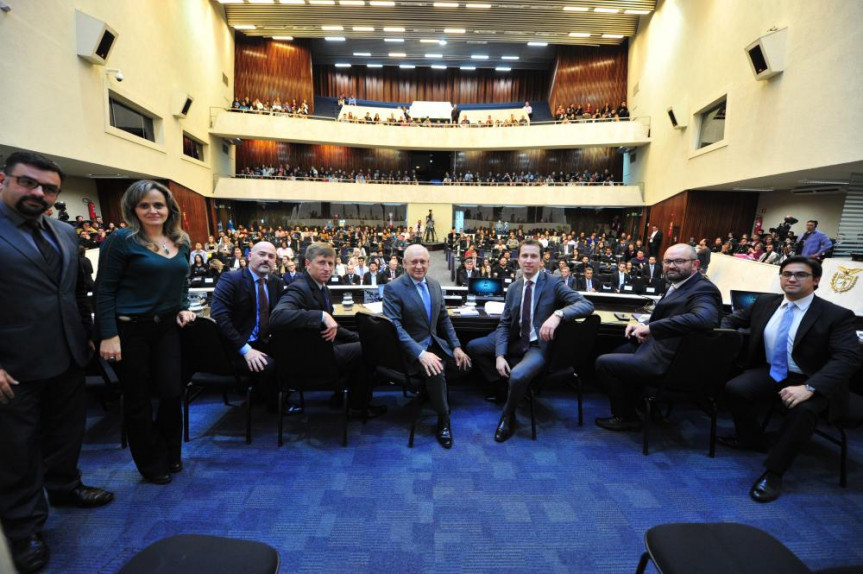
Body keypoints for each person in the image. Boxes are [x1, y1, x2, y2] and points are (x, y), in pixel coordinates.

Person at [0, 151, 113, 573]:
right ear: (4, 179)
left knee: (67, 433)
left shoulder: (65, 232)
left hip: (67, 354)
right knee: (17, 452)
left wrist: (87, 337)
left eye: (49, 188)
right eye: (28, 183)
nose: (39, 193)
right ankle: (24, 527)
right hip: (13, 366)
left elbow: (76, 293)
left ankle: (65, 486)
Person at [718, 257, 861, 502]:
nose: (791, 278)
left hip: (813, 378)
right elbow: (732, 319)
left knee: (803, 410)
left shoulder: (836, 315)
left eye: (800, 274)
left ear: (815, 280)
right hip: (774, 371)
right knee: (735, 388)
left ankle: (774, 472)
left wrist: (810, 386)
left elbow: (847, 358)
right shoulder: (766, 302)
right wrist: (721, 329)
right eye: (786, 274)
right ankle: (751, 439)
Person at [95, 180, 197, 485]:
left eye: (158, 205)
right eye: (145, 205)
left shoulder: (181, 240)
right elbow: (104, 290)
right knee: (137, 399)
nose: (152, 210)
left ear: (169, 209)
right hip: (130, 329)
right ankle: (151, 462)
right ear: (134, 209)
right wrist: (108, 334)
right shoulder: (121, 240)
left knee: (171, 392)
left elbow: (182, 280)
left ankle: (171, 452)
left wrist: (182, 305)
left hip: (167, 327)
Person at [466, 239, 594, 442]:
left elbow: (586, 304)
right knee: (473, 347)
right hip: (515, 339)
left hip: (537, 346)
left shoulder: (553, 283)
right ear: (518, 260)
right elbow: (504, 325)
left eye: (533, 256)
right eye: (524, 256)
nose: (528, 260)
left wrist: (558, 314)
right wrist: (499, 355)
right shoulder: (515, 288)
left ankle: (508, 416)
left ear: (542, 260)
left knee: (517, 376)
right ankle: (502, 388)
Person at [594, 244, 722, 431]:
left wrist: (652, 328)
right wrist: (645, 324)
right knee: (621, 350)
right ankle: (644, 407)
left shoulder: (703, 289)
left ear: (695, 264)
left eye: (679, 261)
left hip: (670, 362)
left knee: (604, 363)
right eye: (668, 261)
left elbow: (704, 318)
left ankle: (626, 417)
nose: (671, 266)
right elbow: (675, 312)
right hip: (661, 347)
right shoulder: (681, 284)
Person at [269, 242, 385, 417]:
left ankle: (345, 398)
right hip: (311, 360)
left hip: (320, 351)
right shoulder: (299, 288)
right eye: (321, 262)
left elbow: (333, 326)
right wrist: (321, 315)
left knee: (362, 344)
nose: (327, 268)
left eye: (330, 264)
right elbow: (277, 317)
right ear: (308, 264)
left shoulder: (323, 289)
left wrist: (356, 337)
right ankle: (358, 407)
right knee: (368, 350)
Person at [383, 244, 471, 449]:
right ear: (404, 263)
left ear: (429, 263)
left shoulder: (434, 285)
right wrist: (421, 354)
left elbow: (443, 320)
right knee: (436, 371)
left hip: (434, 343)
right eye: (413, 261)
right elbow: (394, 327)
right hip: (410, 350)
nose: (419, 266)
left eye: (423, 261)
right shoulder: (393, 288)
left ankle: (429, 392)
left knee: (466, 365)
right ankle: (443, 419)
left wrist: (457, 347)